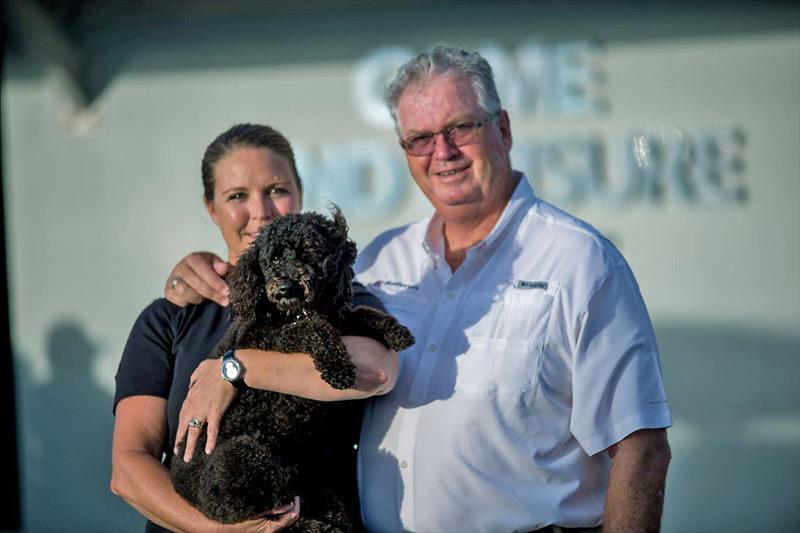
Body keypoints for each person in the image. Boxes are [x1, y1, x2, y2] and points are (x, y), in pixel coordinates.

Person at [169, 47, 673, 532]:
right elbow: (288, 324)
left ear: (503, 128)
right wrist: (198, 272)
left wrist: (236, 366)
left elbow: (640, 445)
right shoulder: (379, 260)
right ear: (405, 152)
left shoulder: (582, 260)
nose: (443, 152)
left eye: (460, 128)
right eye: (421, 138)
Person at [111, 123, 399, 533]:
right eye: (237, 196)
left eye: (277, 190)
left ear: (300, 193)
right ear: (211, 208)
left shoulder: (340, 297)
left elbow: (377, 370)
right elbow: (128, 469)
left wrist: (235, 369)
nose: (261, 211)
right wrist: (222, 530)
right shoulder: (169, 318)